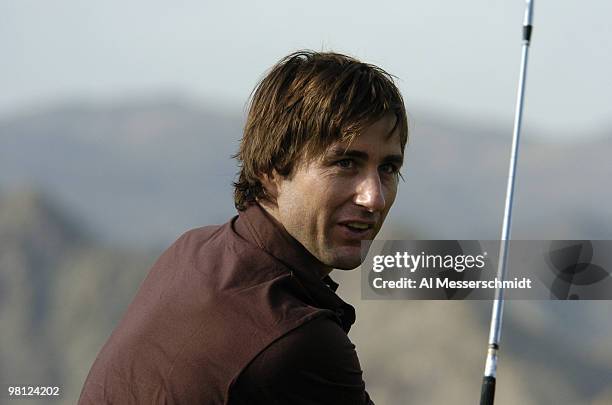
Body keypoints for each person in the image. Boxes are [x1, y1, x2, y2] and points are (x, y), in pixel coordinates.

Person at [79, 50, 408, 404]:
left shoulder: (193, 250)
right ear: (272, 168)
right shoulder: (297, 339)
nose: (373, 198)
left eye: (388, 168)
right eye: (345, 163)